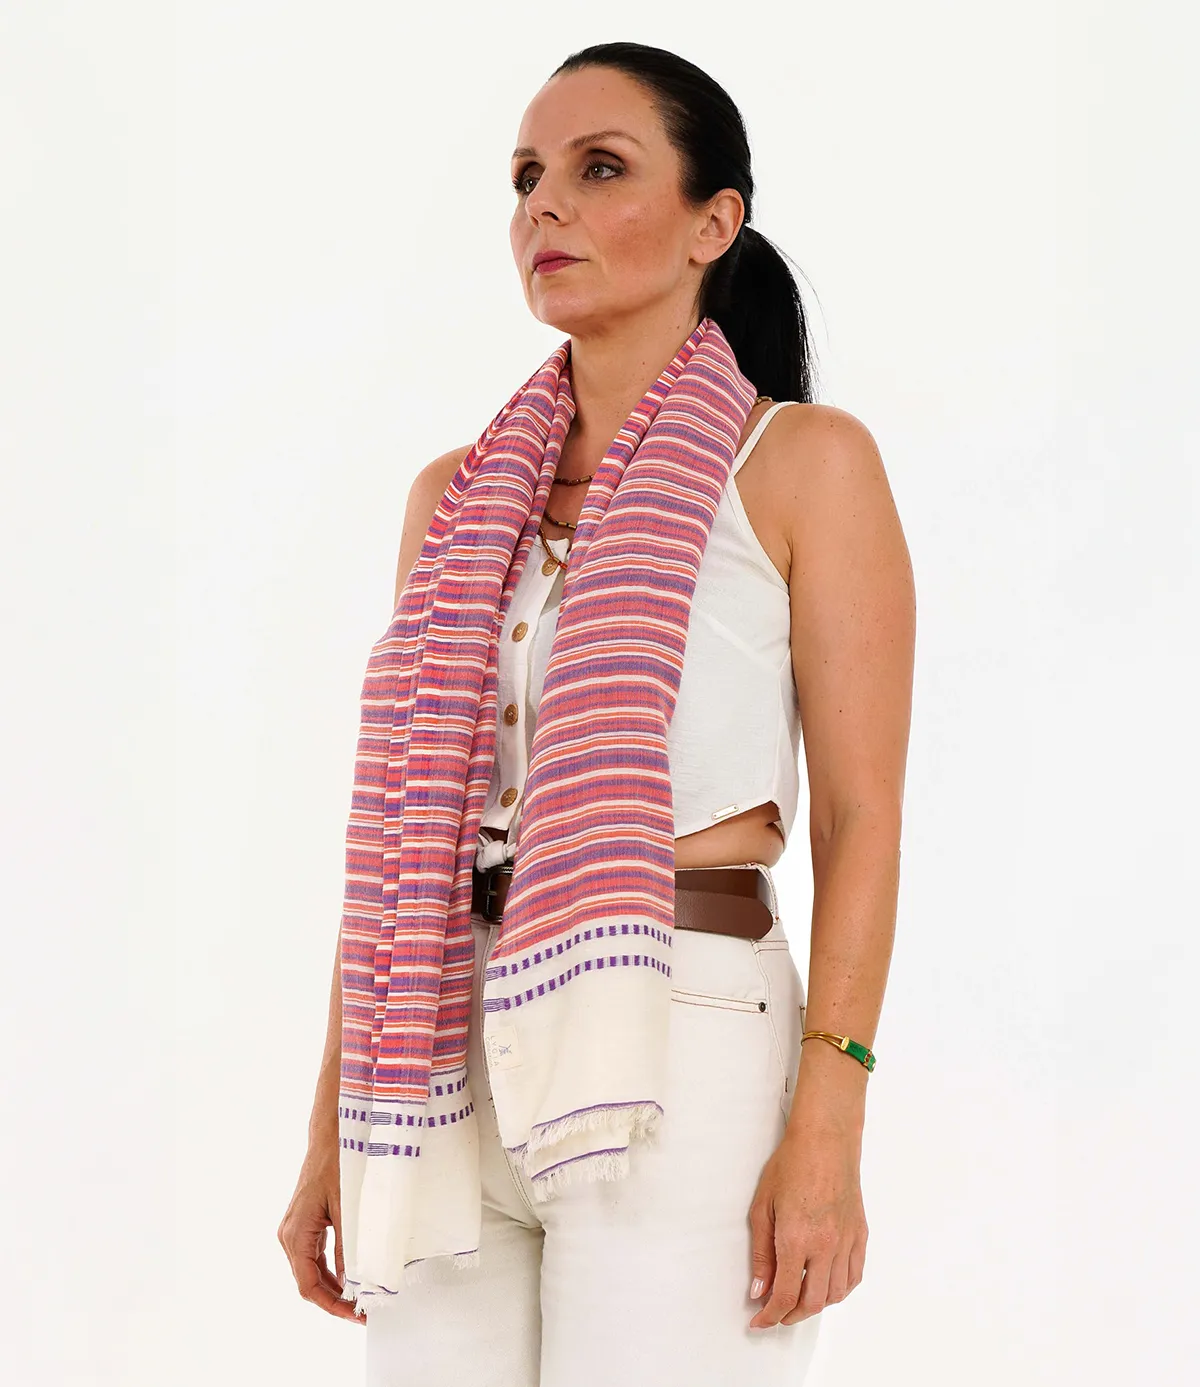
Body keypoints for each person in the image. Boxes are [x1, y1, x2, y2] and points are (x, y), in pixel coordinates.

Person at [278, 40, 915, 1387]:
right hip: (441, 1045)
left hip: (685, 1032)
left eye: (600, 168)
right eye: (525, 178)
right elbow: (407, 837)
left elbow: (861, 818)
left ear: (712, 223)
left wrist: (831, 1121)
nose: (544, 206)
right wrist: (331, 1122)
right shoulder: (454, 497)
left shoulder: (802, 464)